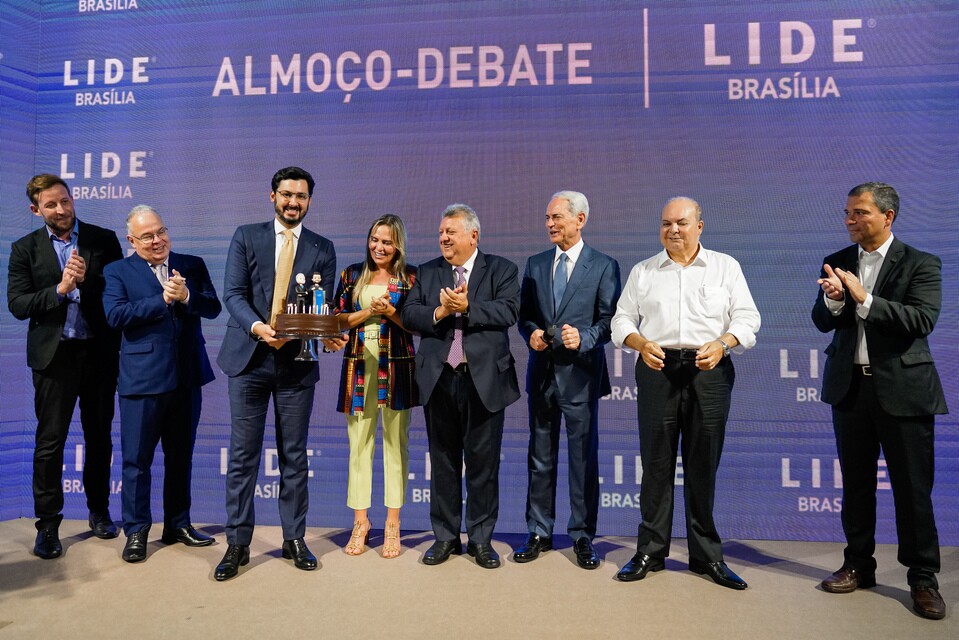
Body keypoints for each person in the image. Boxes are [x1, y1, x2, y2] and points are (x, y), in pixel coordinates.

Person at [812, 182, 948, 620]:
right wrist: (834, 302)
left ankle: (922, 579)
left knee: (913, 490)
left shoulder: (921, 263)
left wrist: (864, 299)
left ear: (888, 217)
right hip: (850, 389)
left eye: (860, 213)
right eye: (848, 212)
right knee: (855, 485)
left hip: (904, 392)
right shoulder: (837, 261)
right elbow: (821, 321)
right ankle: (858, 564)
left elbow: (920, 320)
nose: (850, 220)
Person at [611, 196, 760, 589]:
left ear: (699, 226)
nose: (672, 230)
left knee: (702, 465)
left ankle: (707, 557)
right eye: (665, 223)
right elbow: (621, 318)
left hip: (708, 370)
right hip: (657, 369)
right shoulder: (644, 271)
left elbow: (748, 317)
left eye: (680, 222)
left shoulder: (725, 267)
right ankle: (650, 552)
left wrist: (724, 342)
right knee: (656, 465)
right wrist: (639, 343)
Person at [215, 166, 337, 580]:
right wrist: (259, 327)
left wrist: (296, 333)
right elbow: (232, 294)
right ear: (272, 197)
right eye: (286, 195)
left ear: (309, 201)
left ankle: (294, 539)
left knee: (293, 456)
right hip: (248, 359)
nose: (293, 203)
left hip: (295, 364)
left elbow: (321, 309)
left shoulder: (323, 246)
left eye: (301, 197)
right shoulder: (246, 236)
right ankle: (236, 544)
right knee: (243, 457)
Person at [7, 174, 122, 559]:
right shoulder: (24, 249)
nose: (61, 210)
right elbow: (19, 304)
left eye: (65, 201)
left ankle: (100, 512)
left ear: (73, 199)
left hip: (97, 354)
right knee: (50, 441)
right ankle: (48, 525)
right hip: (53, 358)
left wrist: (85, 284)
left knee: (99, 436)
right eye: (51, 205)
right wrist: (59, 289)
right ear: (35, 209)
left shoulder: (102, 240)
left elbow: (118, 292)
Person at [401, 204, 520, 569]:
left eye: (451, 231)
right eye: (441, 232)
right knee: (443, 463)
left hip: (483, 380)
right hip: (439, 380)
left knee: (483, 464)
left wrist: (468, 307)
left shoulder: (501, 269)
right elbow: (408, 313)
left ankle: (481, 539)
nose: (444, 238)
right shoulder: (428, 271)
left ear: (473, 235)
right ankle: (445, 537)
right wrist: (438, 313)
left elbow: (509, 311)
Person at [102, 205, 222, 563]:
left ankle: (178, 524)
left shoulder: (192, 264)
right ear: (132, 241)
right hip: (142, 381)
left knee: (180, 456)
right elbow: (115, 315)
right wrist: (162, 300)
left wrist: (186, 297)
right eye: (147, 236)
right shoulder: (117, 271)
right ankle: (137, 531)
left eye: (161, 232)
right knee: (136, 461)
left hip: (186, 377)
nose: (157, 241)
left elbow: (213, 307)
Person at [515, 191, 621, 569]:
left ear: (580, 220)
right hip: (542, 375)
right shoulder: (535, 263)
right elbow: (524, 315)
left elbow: (610, 321)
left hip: (581, 377)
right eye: (547, 218)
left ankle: (582, 536)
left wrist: (585, 338)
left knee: (582, 460)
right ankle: (539, 532)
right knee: (539, 459)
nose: (550, 224)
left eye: (557, 217)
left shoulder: (604, 266)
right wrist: (530, 333)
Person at [331, 214, 418, 558]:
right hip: (357, 366)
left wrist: (391, 313)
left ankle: (393, 524)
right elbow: (337, 318)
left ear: (398, 246)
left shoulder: (411, 278)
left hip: (396, 367)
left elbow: (416, 324)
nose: (379, 247)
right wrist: (368, 312)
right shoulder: (351, 274)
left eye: (387, 241)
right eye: (374, 240)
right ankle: (361, 522)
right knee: (359, 446)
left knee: (396, 445)